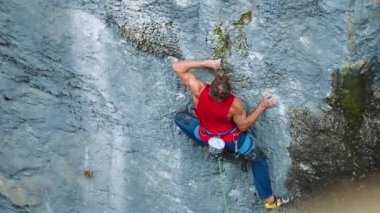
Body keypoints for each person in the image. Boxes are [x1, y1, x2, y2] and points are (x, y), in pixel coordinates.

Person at [172, 59, 288, 209]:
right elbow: (244, 126)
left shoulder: (199, 90)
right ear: (228, 93)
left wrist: (207, 63)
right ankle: (270, 201)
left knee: (179, 118)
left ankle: (208, 147)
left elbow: (177, 67)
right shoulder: (235, 104)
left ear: (211, 86)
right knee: (259, 161)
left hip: (205, 134)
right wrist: (261, 106)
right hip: (232, 141)